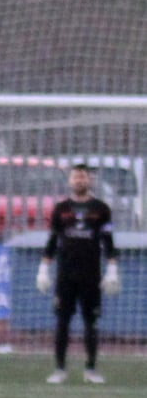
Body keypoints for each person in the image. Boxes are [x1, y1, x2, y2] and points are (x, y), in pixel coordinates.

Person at [40, 162, 121, 385]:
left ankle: (91, 369)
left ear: (90, 180)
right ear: (70, 181)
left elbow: (108, 241)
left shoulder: (101, 209)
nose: (79, 181)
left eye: (83, 177)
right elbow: (53, 240)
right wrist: (44, 268)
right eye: (76, 177)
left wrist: (112, 269)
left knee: (91, 322)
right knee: (62, 322)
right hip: (65, 276)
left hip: (91, 275)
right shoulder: (60, 209)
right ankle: (59, 369)